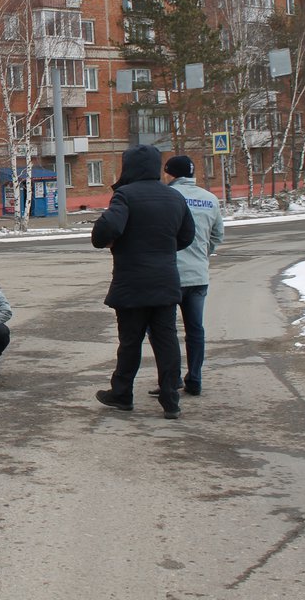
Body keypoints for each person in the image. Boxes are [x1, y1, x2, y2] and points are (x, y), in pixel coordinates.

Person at [91, 145, 195, 419]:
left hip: (132, 282)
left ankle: (122, 394)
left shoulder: (125, 195)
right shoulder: (174, 197)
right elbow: (187, 236)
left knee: (130, 341)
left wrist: (111, 240)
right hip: (165, 280)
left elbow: (106, 229)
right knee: (166, 340)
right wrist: (162, 249)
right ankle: (171, 398)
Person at [154, 155, 225, 397]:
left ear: (170, 174)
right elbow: (217, 235)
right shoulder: (210, 199)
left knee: (163, 330)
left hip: (171, 274)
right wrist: (203, 255)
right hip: (198, 275)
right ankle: (194, 378)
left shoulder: (168, 197)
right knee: (195, 329)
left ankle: (170, 379)